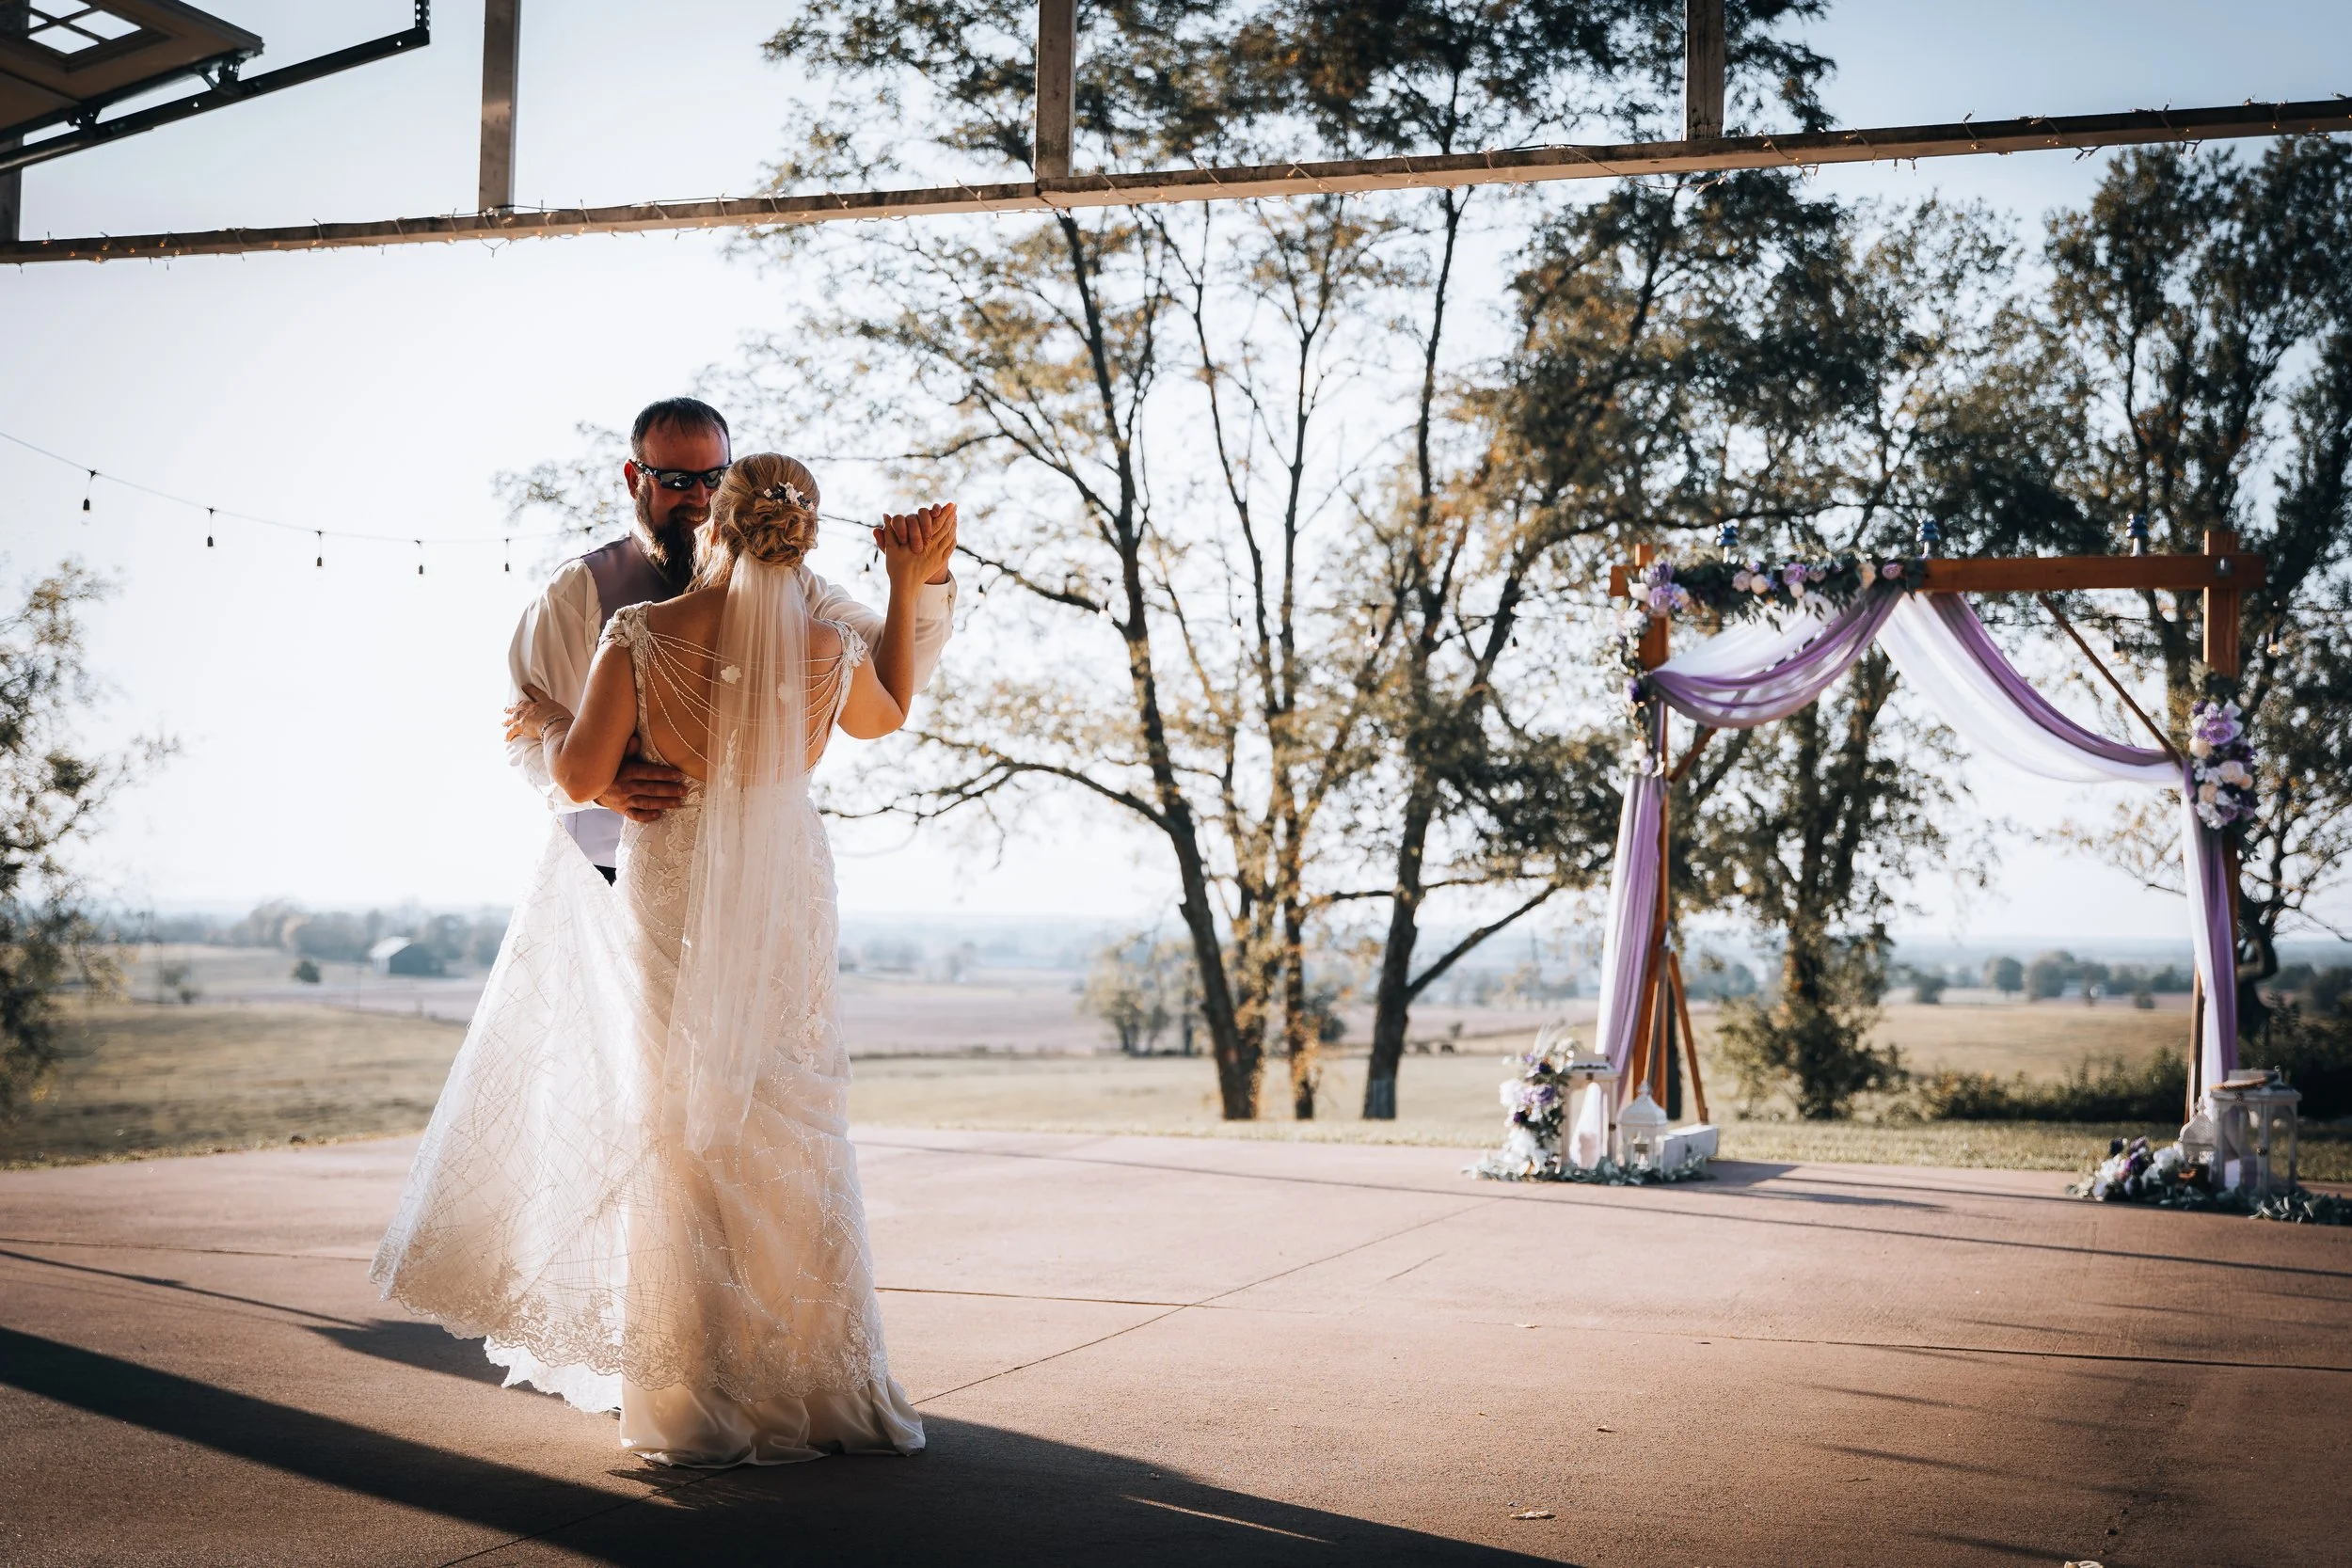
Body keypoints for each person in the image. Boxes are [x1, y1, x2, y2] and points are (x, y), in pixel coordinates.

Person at [373, 453, 954, 1467]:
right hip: (785, 886)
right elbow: (887, 711)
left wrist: (555, 729)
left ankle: (697, 1388)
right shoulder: (823, 641)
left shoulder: (637, 634)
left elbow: (585, 777)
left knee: (678, 1116)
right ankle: (821, 1385)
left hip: (673, 873)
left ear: (716, 525)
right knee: (793, 1114)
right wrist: (907, 583)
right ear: (803, 540)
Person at [508, 397, 956, 881]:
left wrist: (926, 578)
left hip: (761, 881)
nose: (699, 497)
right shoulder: (579, 591)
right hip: (615, 870)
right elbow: (520, 733)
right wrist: (599, 790)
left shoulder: (801, 591)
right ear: (636, 479)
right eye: (678, 481)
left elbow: (896, 669)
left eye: (714, 479)